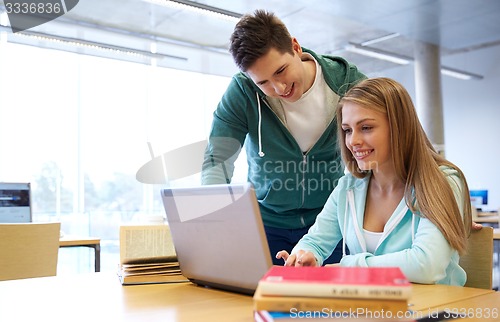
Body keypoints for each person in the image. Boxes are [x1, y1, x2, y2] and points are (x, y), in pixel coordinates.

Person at [201, 10, 366, 265]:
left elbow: (387, 142)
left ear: (295, 47)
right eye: (263, 82)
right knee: (258, 301)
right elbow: (217, 160)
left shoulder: (347, 83)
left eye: (280, 70)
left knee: (327, 303)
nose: (278, 88)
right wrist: (216, 221)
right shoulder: (242, 92)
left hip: (329, 227)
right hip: (265, 227)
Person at [276, 77, 473, 286]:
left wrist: (349, 266)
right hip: (370, 310)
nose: (353, 141)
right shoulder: (349, 186)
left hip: (432, 312)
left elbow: (426, 265)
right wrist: (304, 257)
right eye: (347, 130)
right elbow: (314, 241)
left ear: (399, 127)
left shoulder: (444, 181)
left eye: (366, 128)